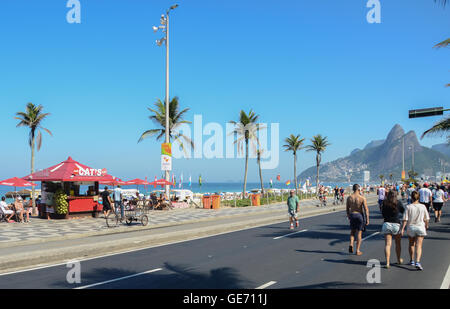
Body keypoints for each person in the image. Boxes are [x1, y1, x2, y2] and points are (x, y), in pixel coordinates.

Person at [400, 191, 429, 270]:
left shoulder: (408, 207)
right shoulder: (423, 206)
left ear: (411, 198)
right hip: (420, 227)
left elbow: (405, 219)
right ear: (419, 197)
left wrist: (402, 229)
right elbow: (426, 218)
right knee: (419, 246)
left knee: (411, 244)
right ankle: (418, 261)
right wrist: (426, 225)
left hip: (411, 227)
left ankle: (412, 260)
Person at [381, 190, 405, 268]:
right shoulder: (398, 202)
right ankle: (398, 259)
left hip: (387, 224)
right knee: (398, 244)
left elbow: (383, 213)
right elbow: (404, 211)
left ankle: (387, 263)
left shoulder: (385, 203)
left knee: (388, 244)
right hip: (396, 224)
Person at [346, 184, 369, 256]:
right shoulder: (362, 198)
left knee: (352, 232)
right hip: (359, 215)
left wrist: (349, 216)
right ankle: (357, 250)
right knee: (359, 233)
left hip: (352, 214)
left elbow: (347, 209)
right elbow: (366, 209)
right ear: (359, 189)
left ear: (353, 189)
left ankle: (351, 244)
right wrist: (367, 219)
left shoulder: (349, 198)